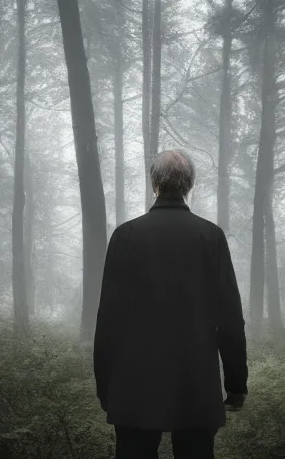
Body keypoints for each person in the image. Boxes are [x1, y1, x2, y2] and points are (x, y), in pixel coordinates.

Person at [93, 150, 248, 459]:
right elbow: (230, 317)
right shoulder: (210, 237)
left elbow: (108, 318)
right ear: (189, 185)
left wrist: (104, 383)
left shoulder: (126, 236)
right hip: (195, 381)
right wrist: (236, 383)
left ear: (155, 184)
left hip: (134, 380)